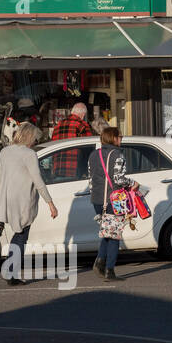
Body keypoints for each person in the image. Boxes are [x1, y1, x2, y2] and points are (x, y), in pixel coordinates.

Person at [0, 123, 58, 286]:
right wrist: (50, 202)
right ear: (29, 136)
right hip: (23, 200)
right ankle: (10, 271)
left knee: (18, 234)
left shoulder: (5, 151)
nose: (35, 141)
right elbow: (38, 179)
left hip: (7, 199)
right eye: (35, 138)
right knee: (21, 235)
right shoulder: (29, 154)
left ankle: (10, 271)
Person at [88, 126, 134, 282]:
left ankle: (99, 263)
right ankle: (110, 271)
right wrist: (133, 183)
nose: (121, 139)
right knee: (114, 236)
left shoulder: (93, 155)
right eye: (120, 136)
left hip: (97, 200)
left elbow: (90, 180)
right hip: (113, 200)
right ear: (113, 138)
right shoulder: (118, 155)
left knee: (107, 232)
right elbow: (119, 179)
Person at [50, 102, 95, 178]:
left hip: (57, 169)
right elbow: (89, 149)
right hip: (73, 170)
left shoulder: (58, 125)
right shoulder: (82, 125)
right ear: (83, 115)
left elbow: (52, 144)